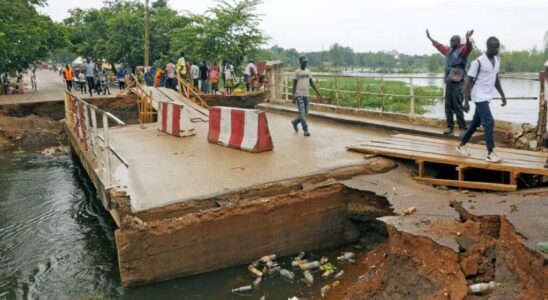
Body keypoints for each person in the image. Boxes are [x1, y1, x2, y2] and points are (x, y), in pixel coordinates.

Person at [456, 37, 507, 163]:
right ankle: (490, 153)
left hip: (487, 96)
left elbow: (496, 78)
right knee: (489, 122)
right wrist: (466, 101)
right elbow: (468, 82)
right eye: (493, 47)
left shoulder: (497, 60)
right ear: (487, 47)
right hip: (478, 96)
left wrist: (502, 94)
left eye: (497, 47)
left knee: (474, 124)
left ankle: (461, 145)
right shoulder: (477, 62)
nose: (496, 49)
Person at [427, 29, 474, 135]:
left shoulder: (462, 50)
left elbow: (469, 48)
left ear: (458, 42)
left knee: (457, 105)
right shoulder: (448, 50)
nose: (452, 43)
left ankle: (462, 128)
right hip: (449, 81)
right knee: (448, 105)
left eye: (454, 41)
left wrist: (467, 39)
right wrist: (430, 38)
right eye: (451, 41)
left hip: (459, 81)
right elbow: (439, 46)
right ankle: (450, 127)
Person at [291, 55, 321, 137]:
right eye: (304, 62)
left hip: (306, 95)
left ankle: (295, 122)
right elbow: (294, 85)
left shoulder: (309, 71)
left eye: (306, 62)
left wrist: (317, 91)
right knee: (302, 113)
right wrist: (293, 96)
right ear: (300, 62)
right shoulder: (297, 72)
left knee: (306, 113)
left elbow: (311, 82)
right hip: (299, 95)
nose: (305, 63)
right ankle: (305, 129)